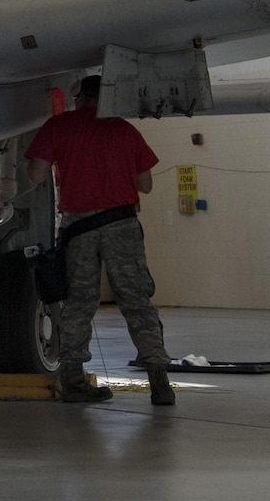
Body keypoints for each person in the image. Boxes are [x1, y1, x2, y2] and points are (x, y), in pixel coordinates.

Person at [26, 75, 174, 406]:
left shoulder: (58, 127)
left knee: (79, 303)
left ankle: (74, 381)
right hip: (121, 224)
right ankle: (159, 381)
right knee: (136, 300)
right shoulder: (125, 130)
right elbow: (146, 185)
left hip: (79, 228)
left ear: (80, 98)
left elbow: (35, 175)